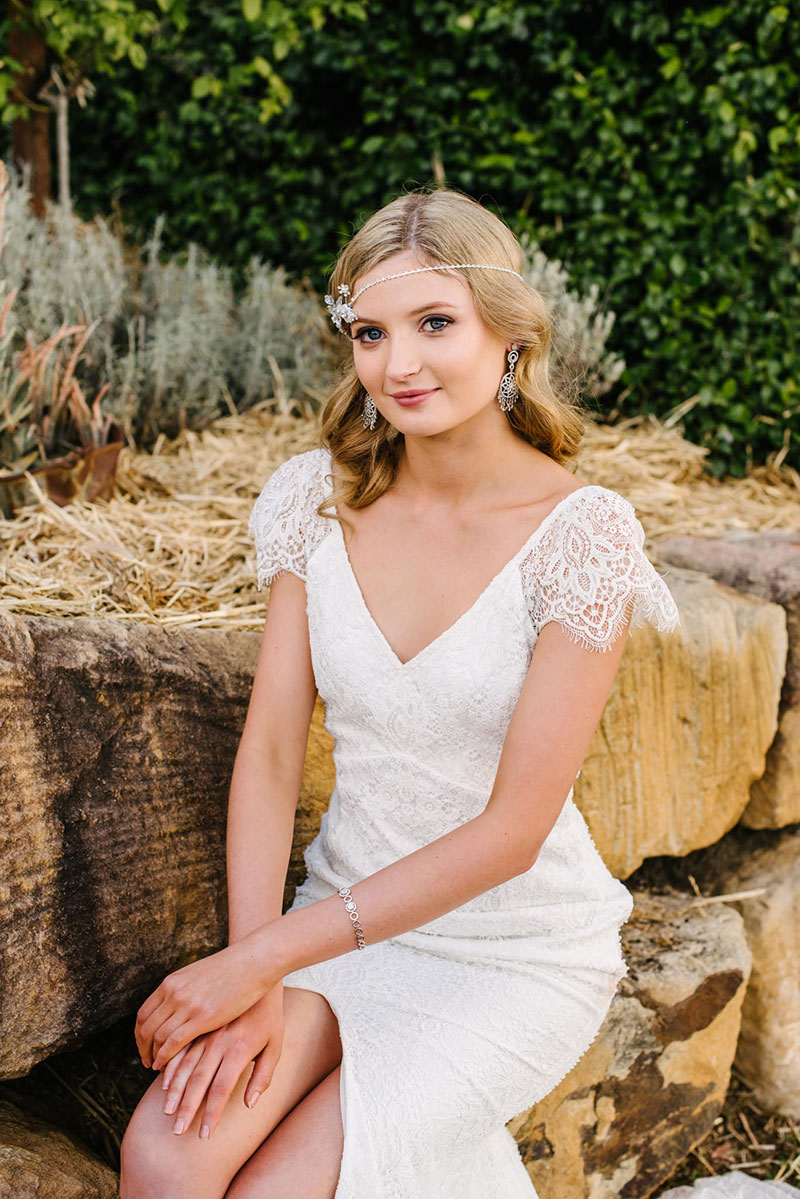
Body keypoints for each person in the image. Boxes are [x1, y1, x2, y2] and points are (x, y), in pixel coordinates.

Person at [120, 187, 681, 1198]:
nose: (398, 363)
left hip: (511, 946)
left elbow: (513, 829)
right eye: (370, 331)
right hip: (334, 911)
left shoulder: (582, 534)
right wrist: (255, 963)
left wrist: (265, 962)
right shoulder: (312, 500)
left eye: (434, 323)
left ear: (508, 335)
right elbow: (271, 751)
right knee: (163, 1156)